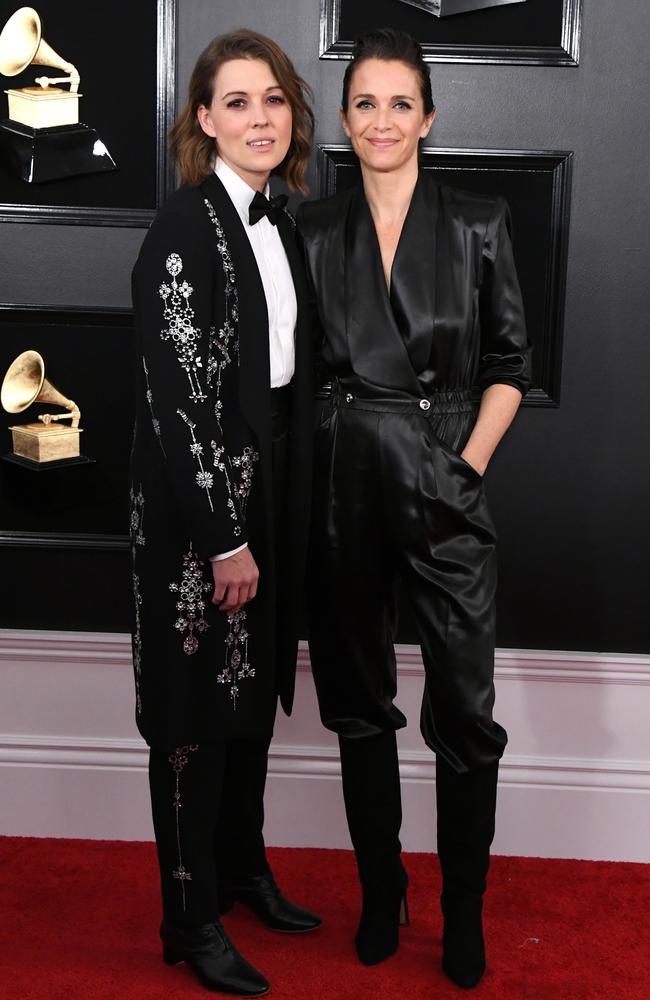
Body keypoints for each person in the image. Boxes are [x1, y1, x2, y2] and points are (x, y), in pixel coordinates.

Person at [297, 28, 531, 990]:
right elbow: (297, 375)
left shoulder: (478, 222)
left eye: (401, 103)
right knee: (358, 707)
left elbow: (512, 369)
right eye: (365, 104)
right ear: (345, 122)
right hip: (347, 485)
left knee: (465, 715)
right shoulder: (311, 230)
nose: (382, 121)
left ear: (428, 117)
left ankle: (463, 910)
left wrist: (464, 466)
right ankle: (381, 890)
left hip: (443, 482)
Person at [130, 29, 319, 997]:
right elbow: (176, 402)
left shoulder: (280, 219)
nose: (259, 117)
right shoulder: (182, 227)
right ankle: (188, 916)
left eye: (273, 99)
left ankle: (240, 871)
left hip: (272, 482)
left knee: (249, 702)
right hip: (200, 508)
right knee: (193, 713)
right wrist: (224, 537)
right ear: (203, 121)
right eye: (237, 101)